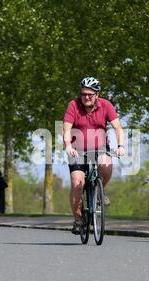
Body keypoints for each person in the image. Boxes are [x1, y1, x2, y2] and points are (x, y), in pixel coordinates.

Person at [63, 77, 125, 235]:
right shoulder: (73, 105)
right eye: (84, 94)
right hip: (78, 149)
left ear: (97, 94)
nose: (87, 97)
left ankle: (100, 191)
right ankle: (78, 220)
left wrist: (120, 146)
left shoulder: (106, 105)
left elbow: (118, 128)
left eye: (90, 94)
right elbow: (66, 129)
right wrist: (68, 146)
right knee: (77, 183)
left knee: (106, 164)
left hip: (100, 147)